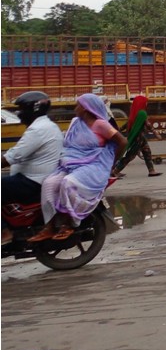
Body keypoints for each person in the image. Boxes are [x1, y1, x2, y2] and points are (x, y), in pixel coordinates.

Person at [29, 93, 127, 243]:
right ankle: (50, 225)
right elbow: (68, 144)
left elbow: (122, 142)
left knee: (68, 183)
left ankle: (68, 224)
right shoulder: (75, 122)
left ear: (86, 108)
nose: (75, 108)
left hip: (92, 165)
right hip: (70, 164)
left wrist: (110, 163)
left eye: (78, 105)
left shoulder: (100, 124)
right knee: (49, 184)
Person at [2, 91, 63, 244]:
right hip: (32, 177)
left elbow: (13, 156)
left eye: (22, 109)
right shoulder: (45, 126)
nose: (18, 113)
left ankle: (4, 232)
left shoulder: (38, 130)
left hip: (32, 181)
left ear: (34, 109)